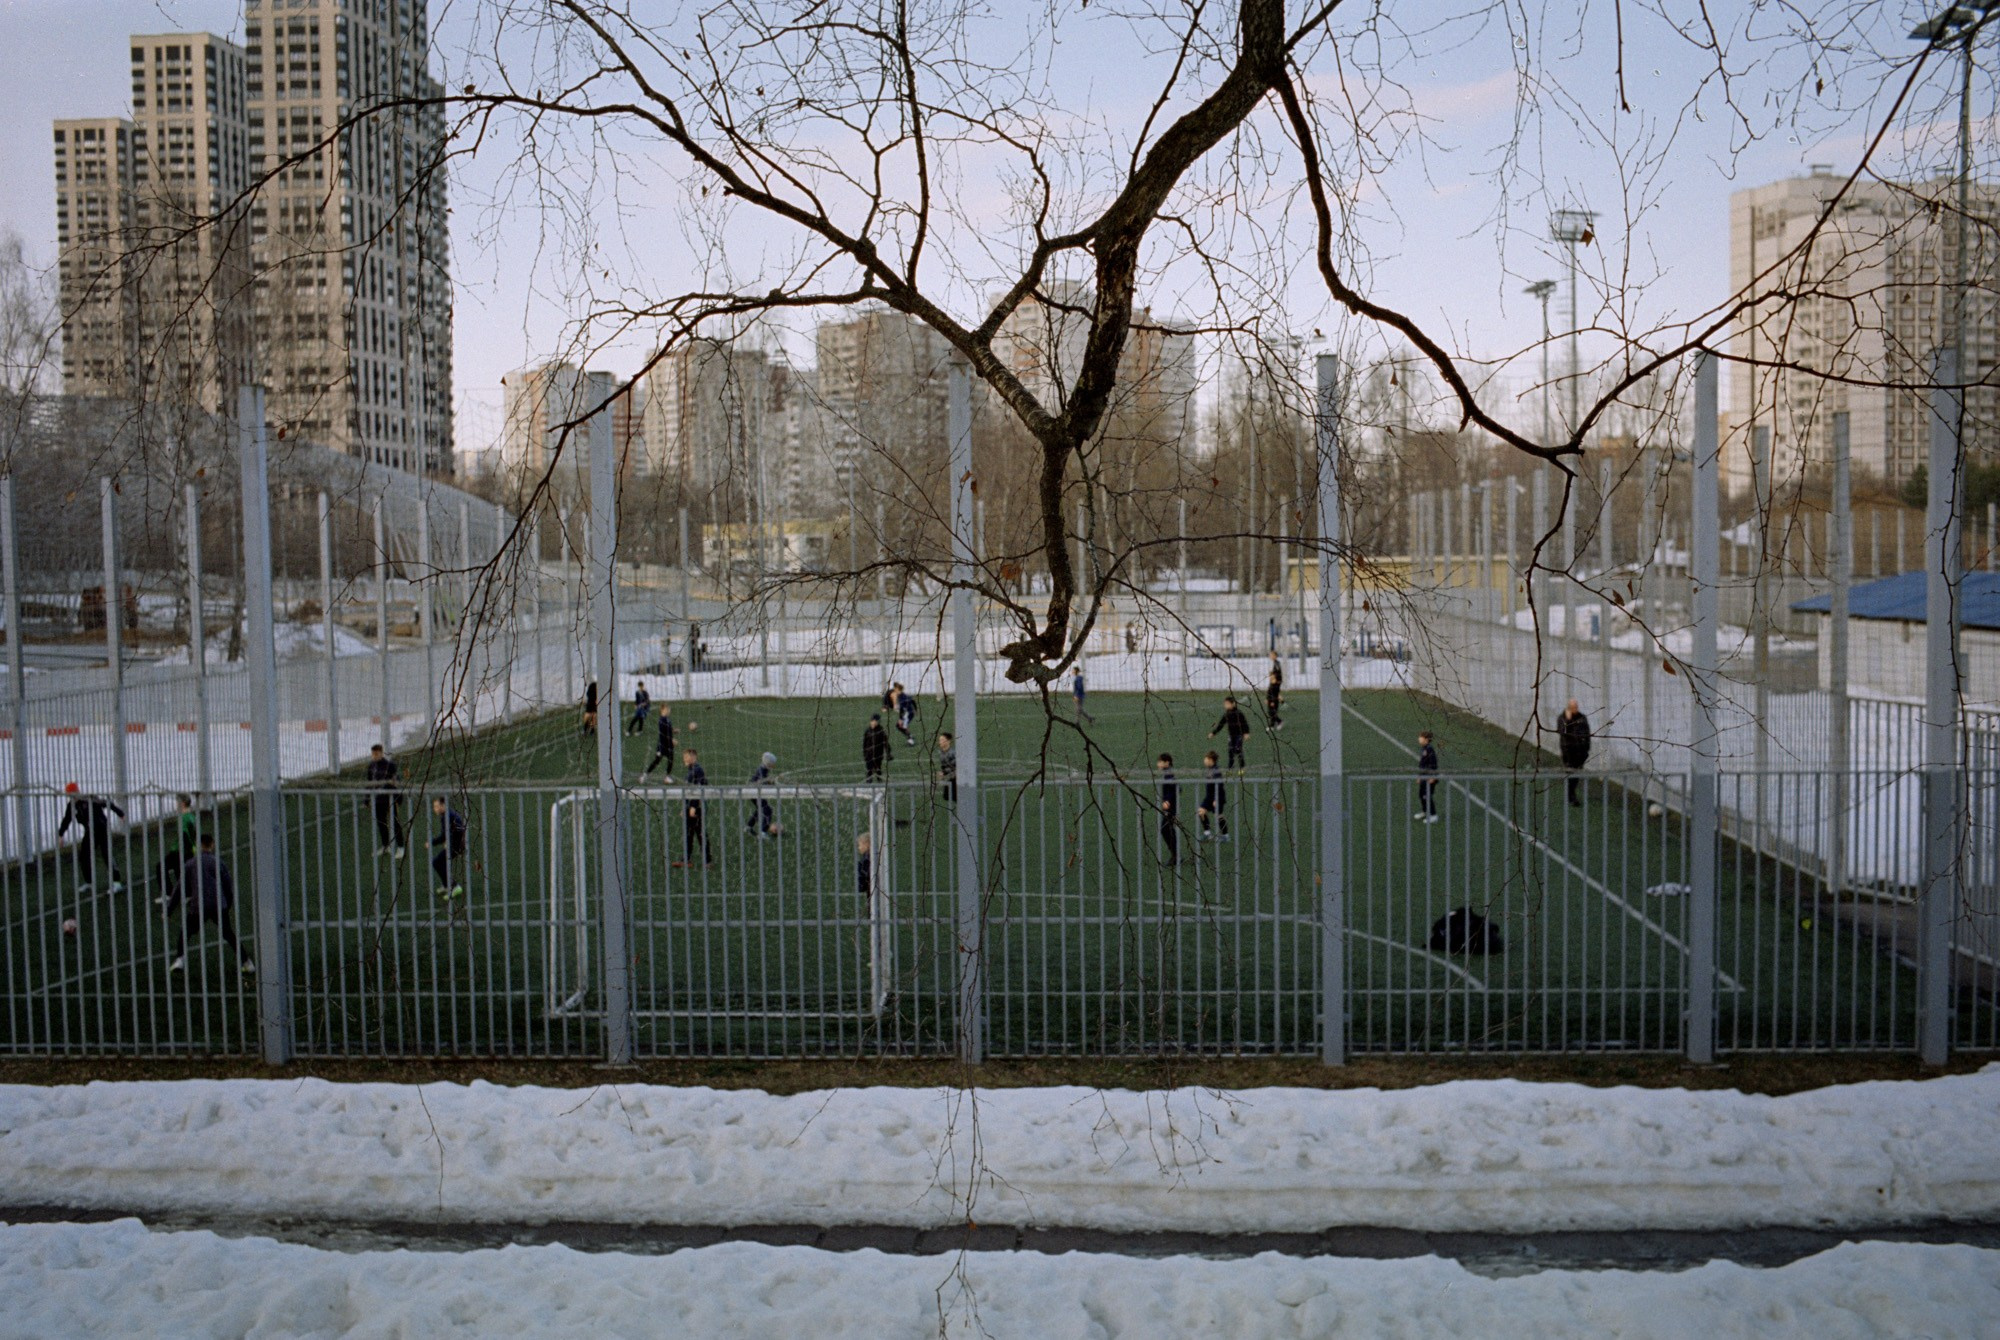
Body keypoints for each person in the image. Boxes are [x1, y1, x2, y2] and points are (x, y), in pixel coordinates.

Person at [166, 832, 254, 974]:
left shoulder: (190, 864)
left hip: (199, 905)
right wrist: (227, 904)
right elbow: (228, 885)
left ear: (198, 846)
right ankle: (247, 962)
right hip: (218, 904)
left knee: (186, 931)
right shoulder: (218, 862)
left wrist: (169, 910)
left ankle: (180, 960)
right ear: (212, 845)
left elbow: (179, 889)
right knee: (228, 934)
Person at [57, 783, 125, 895]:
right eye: (70, 795)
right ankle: (89, 882)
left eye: (73, 793)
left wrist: (120, 813)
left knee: (107, 854)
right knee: (84, 856)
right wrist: (61, 834)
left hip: (102, 829)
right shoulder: (72, 806)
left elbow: (107, 803)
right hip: (90, 832)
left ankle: (117, 883)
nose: (72, 797)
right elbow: (67, 819)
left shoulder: (90, 799)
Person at [154, 792, 202, 903]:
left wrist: (188, 847)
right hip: (187, 849)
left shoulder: (183, 818)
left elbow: (184, 835)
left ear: (183, 803)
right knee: (180, 871)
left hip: (180, 849)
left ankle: (170, 894)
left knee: (161, 867)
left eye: (177, 801)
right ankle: (186, 894)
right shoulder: (191, 816)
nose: (176, 804)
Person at [365, 745, 405, 857]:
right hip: (378, 800)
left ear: (382, 753)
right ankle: (386, 846)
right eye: (373, 754)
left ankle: (401, 848)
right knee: (381, 823)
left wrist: (399, 798)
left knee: (395, 823)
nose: (374, 756)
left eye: (376, 754)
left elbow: (396, 782)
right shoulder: (371, 766)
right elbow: (369, 783)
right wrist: (367, 799)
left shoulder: (390, 765)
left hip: (390, 798)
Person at [429, 795, 468, 900]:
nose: (435, 809)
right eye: (434, 806)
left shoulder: (447, 816)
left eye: (437, 806)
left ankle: (454, 886)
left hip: (456, 845)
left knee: (437, 862)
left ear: (443, 805)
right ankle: (447, 885)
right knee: (439, 863)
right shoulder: (448, 814)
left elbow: (444, 836)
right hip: (455, 844)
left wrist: (431, 842)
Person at [678, 747, 712, 867]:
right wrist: (684, 808)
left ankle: (707, 860)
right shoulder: (692, 770)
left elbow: (699, 790)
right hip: (691, 807)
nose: (685, 759)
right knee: (690, 833)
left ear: (694, 757)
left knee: (699, 833)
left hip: (697, 807)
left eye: (687, 757)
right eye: (684, 757)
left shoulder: (697, 770)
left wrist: (693, 807)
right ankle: (686, 859)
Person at [1559, 698, 1593, 807]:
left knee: (1576, 774)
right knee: (1571, 773)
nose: (1575, 709)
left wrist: (1587, 749)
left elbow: (1587, 733)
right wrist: (1568, 720)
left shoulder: (1582, 718)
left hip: (1580, 751)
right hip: (1568, 751)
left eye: (1576, 707)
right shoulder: (1563, 718)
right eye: (1573, 707)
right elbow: (1563, 732)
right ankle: (1571, 796)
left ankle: (1571, 794)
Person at [1209, 695, 1251, 771]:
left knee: (1238, 749)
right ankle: (1230, 767)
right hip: (1231, 735)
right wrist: (1213, 733)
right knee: (1230, 751)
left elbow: (1244, 723)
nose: (1225, 705)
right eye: (1225, 704)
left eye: (1227, 704)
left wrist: (1246, 733)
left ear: (1233, 704)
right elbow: (1220, 724)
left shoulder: (1239, 713)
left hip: (1239, 735)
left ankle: (1242, 767)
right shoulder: (1226, 714)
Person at [745, 751, 781, 838]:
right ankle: (762, 832)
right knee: (768, 810)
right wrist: (769, 782)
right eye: (773, 763)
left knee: (760, 809)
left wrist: (769, 781)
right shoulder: (762, 770)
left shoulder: (763, 768)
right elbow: (761, 781)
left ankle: (748, 827)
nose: (774, 765)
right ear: (769, 763)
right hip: (754, 792)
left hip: (752, 791)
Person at [1198, 750, 1229, 841]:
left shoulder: (1216, 771)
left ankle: (1225, 836)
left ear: (1211, 760)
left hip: (1217, 797)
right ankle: (1207, 833)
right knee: (1201, 812)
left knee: (1219, 816)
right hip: (1209, 797)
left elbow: (1219, 786)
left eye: (1206, 759)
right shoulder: (1210, 769)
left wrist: (1216, 799)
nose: (1204, 760)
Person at [1155, 753, 1180, 866]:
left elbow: (1177, 788)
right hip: (1171, 807)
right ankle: (1176, 855)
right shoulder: (1167, 773)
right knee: (1169, 830)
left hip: (1171, 808)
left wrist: (1167, 800)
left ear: (1167, 763)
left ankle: (1176, 856)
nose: (1158, 764)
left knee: (1165, 829)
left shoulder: (1169, 774)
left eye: (1160, 761)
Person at [641, 705, 677, 779]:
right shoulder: (662, 720)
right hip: (662, 745)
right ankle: (645, 775)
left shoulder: (667, 719)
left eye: (669, 709)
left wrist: (673, 730)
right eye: (667, 709)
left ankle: (667, 777)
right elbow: (663, 733)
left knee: (670, 760)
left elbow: (668, 730)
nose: (669, 711)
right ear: (662, 710)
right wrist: (672, 740)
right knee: (657, 761)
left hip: (669, 745)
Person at [1415, 730, 1440, 824]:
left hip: (1429, 777)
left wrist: (1433, 777)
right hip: (1423, 776)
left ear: (1426, 739)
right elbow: (1422, 764)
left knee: (1427, 796)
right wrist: (1419, 776)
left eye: (1420, 737)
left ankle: (1433, 815)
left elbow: (1434, 764)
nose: (1419, 738)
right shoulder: (1424, 748)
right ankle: (1425, 812)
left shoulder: (1430, 749)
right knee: (1421, 795)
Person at [862, 713, 893, 782]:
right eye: (872, 721)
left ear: (877, 722)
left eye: (874, 721)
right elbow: (864, 744)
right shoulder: (867, 731)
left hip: (878, 755)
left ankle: (880, 784)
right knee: (869, 770)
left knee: (878, 770)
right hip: (869, 755)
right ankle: (869, 785)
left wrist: (888, 753)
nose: (873, 723)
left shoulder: (881, 731)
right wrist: (865, 754)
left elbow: (885, 743)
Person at [936, 731, 957, 805]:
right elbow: (944, 766)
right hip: (950, 777)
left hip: (956, 777)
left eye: (942, 740)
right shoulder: (941, 752)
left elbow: (954, 766)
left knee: (953, 796)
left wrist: (944, 773)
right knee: (946, 796)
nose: (940, 742)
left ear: (948, 741)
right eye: (940, 740)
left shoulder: (953, 753)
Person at [856, 832, 873, 896]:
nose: (859, 848)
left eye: (860, 845)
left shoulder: (866, 859)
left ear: (866, 844)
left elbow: (862, 884)